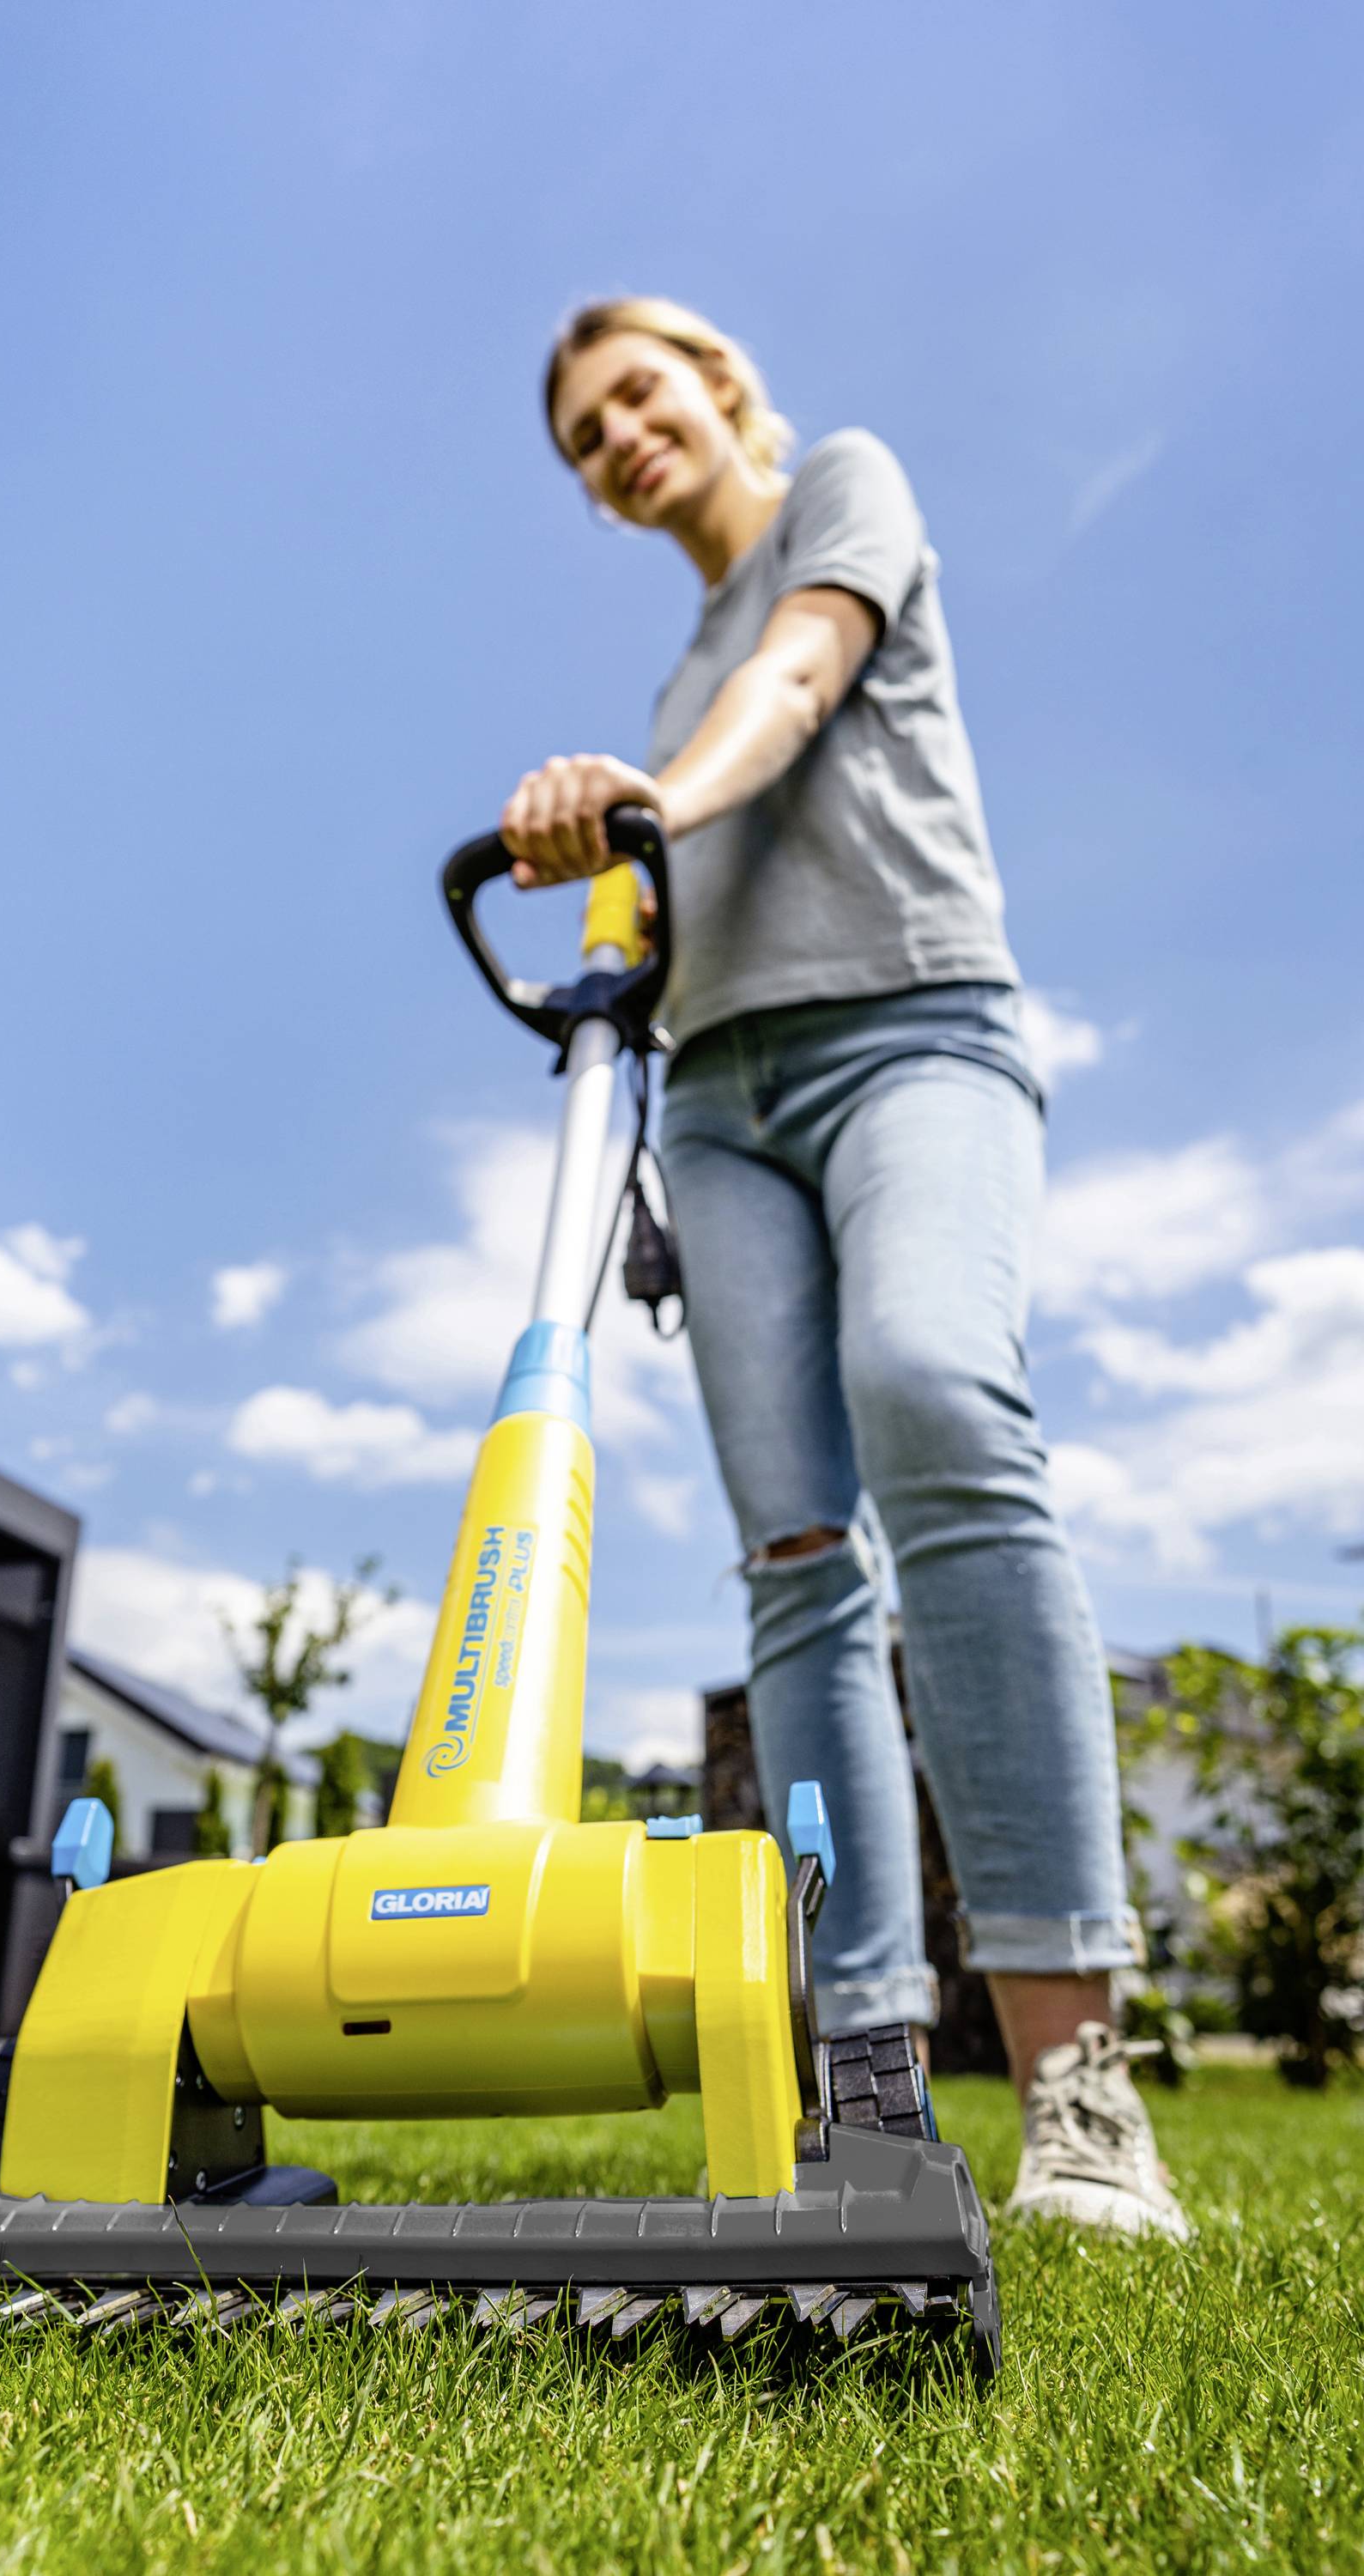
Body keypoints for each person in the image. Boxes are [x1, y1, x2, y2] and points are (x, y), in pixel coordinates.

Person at [500, 295, 1188, 2240]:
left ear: (714, 387)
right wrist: (616, 917)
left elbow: (796, 693)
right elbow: (674, 873)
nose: (619, 438)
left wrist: (647, 806)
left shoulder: (843, 495)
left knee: (931, 1391)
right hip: (719, 1108)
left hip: (915, 1035)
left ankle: (1076, 2084)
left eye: (637, 396)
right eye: (581, 440)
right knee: (795, 1557)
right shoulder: (660, 690)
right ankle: (864, 2083)